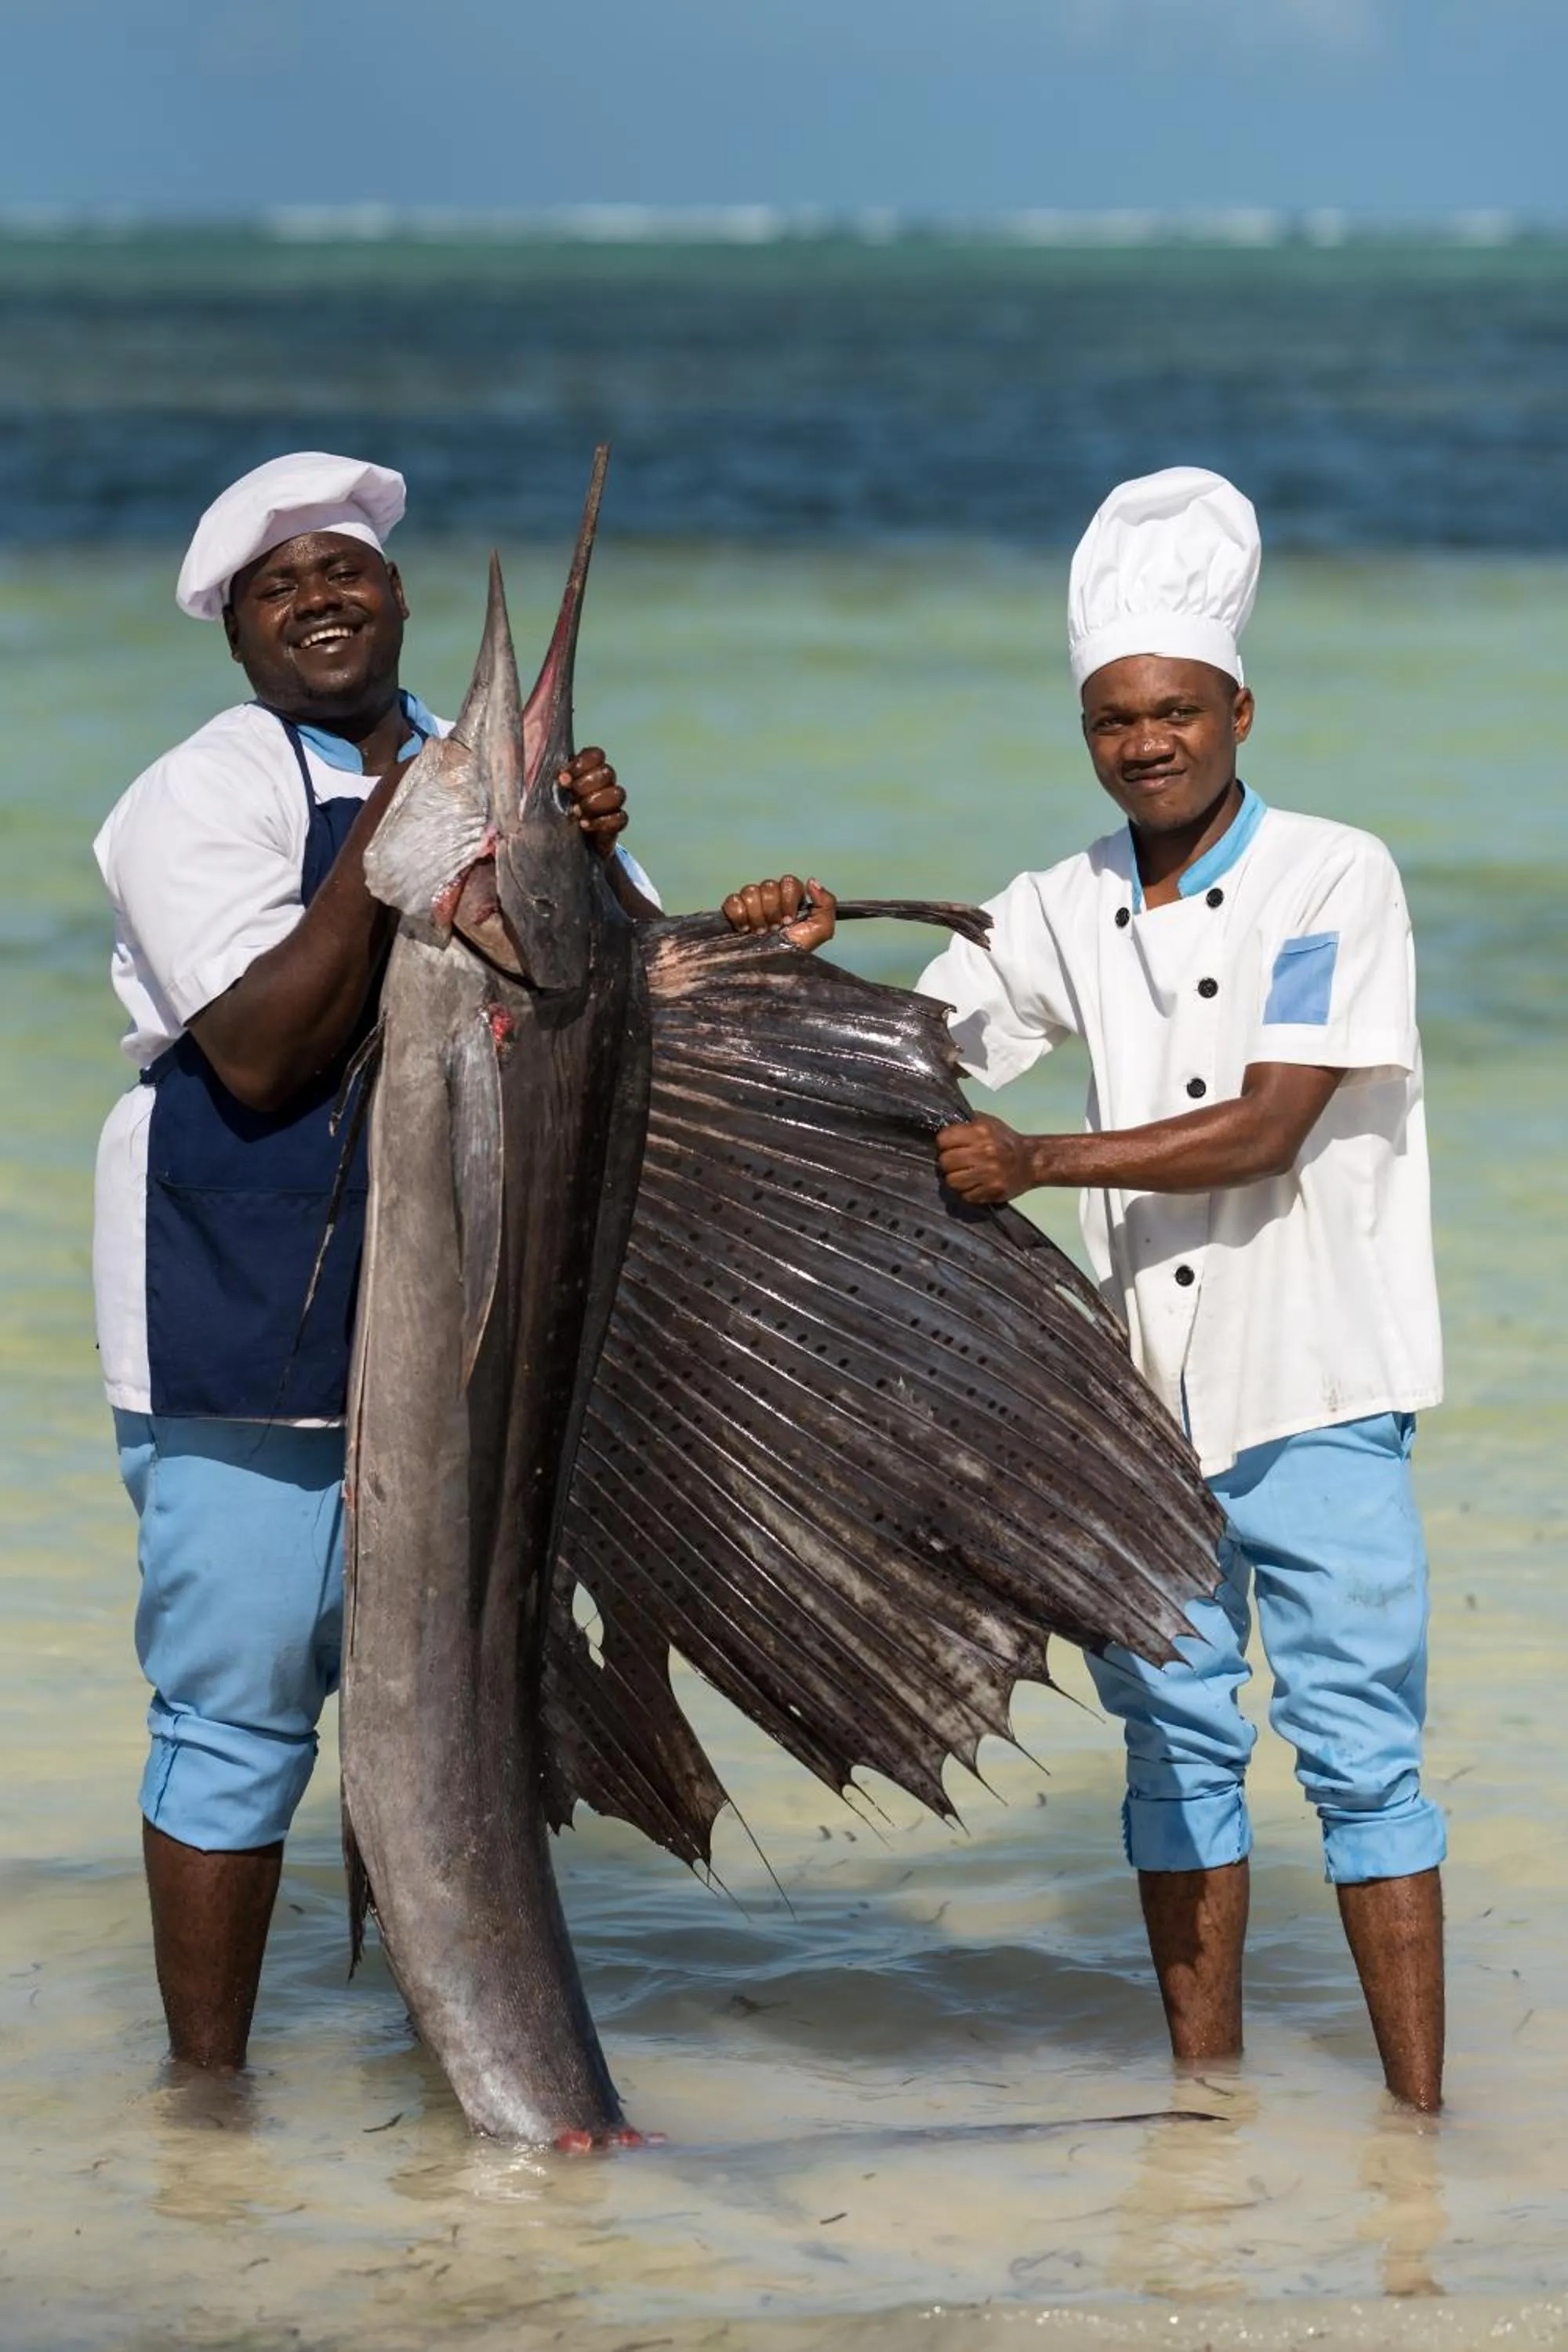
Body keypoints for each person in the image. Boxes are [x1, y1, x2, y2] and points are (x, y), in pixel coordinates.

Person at [776, 468, 1446, 2109]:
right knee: (1175, 1751)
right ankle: (1203, 2122)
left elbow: (1270, 1127)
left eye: (1175, 712)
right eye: (1114, 719)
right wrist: (790, 955)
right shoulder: (1057, 904)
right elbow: (917, 1059)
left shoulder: (1334, 876)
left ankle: (1421, 2136)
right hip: (1140, 1414)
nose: (1146, 743)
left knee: (1362, 1757)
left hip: (1323, 1386)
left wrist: (1041, 1162)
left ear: (1238, 711)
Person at [93, 452, 654, 2074]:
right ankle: (208, 2111)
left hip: (477, 1341)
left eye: (342, 570)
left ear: (396, 596)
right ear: (237, 636)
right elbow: (261, 1050)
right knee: (237, 1716)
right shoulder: (202, 791)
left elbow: (611, 1016)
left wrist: (590, 857)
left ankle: (454, 2094)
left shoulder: (480, 776)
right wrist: (400, 831)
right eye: (277, 589)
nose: (317, 600)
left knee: (466, 1721)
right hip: (247, 1328)